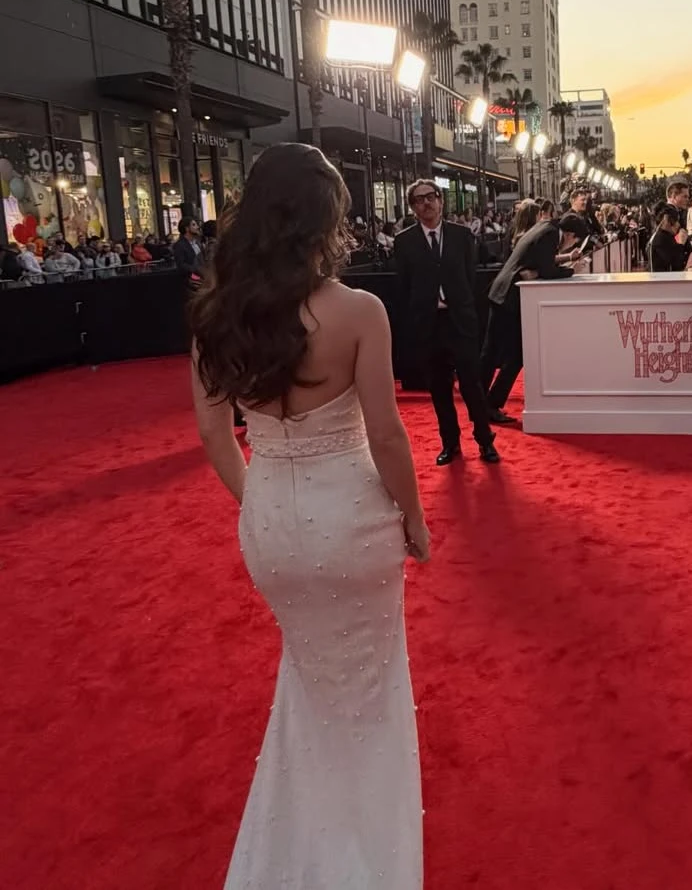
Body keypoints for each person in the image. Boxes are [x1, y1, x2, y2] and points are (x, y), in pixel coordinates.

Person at [190, 143, 428, 890]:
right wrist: (415, 521)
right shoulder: (359, 312)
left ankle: (299, 849)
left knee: (311, 680)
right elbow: (387, 435)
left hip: (270, 528)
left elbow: (210, 435)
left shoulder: (213, 315)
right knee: (371, 689)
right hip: (352, 521)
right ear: (325, 220)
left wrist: (258, 497)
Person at [394, 178, 499, 466]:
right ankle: (450, 444)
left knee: (471, 385)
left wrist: (462, 308)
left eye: (431, 197)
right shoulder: (404, 242)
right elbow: (404, 285)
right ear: (413, 207)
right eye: (418, 200)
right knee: (439, 389)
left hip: (460, 321)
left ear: (441, 200)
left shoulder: (463, 236)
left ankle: (485, 440)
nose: (426, 203)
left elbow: (470, 277)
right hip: (427, 325)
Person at [483, 213, 589, 418]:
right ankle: (488, 405)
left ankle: (482, 404)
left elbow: (542, 264)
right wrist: (571, 270)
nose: (571, 244)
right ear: (569, 234)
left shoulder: (546, 226)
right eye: (575, 240)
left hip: (502, 293)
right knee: (511, 354)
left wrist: (562, 261)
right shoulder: (550, 235)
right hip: (508, 297)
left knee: (493, 352)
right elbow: (548, 270)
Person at [647, 202, 692, 272]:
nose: (678, 224)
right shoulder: (660, 239)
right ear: (666, 219)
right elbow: (677, 264)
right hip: (662, 281)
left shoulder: (667, 236)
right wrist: (681, 244)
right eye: (675, 220)